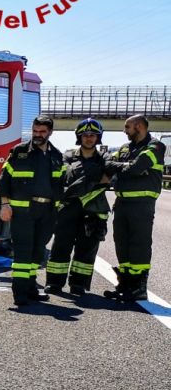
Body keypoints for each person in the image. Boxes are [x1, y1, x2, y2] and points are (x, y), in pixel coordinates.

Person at [44, 118, 124, 296]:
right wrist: (94, 175)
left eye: (93, 135)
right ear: (79, 137)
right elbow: (65, 177)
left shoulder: (105, 157)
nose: (89, 138)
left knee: (87, 249)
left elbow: (109, 176)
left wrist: (82, 176)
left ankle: (78, 284)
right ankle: (54, 283)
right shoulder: (68, 155)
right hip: (68, 207)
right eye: (85, 135)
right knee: (60, 246)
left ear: (98, 137)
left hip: (94, 210)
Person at [0, 116, 65, 306]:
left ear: (50, 132)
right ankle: (20, 294)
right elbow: (4, 179)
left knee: (37, 252)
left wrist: (58, 210)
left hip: (48, 211)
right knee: (23, 253)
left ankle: (31, 288)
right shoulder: (19, 152)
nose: (37, 135)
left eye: (42, 132)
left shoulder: (57, 156)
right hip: (23, 211)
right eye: (35, 131)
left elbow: (59, 185)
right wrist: (4, 204)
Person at [104, 114, 166, 302]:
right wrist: (125, 166)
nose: (124, 131)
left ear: (139, 126)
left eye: (127, 127)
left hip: (142, 205)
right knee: (121, 244)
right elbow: (107, 164)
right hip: (122, 204)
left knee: (139, 245)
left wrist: (124, 168)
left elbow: (137, 168)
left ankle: (139, 288)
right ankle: (125, 284)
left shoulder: (155, 145)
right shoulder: (125, 148)